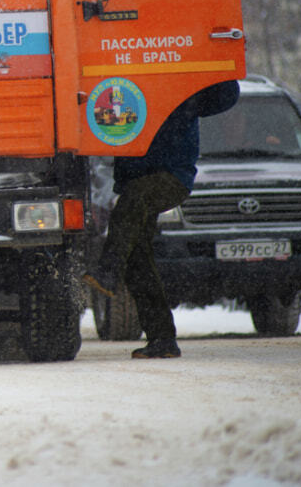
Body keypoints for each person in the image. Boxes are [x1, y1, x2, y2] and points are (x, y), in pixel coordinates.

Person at [83, 80, 240, 359]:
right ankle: (162, 339)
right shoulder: (127, 86)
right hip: (137, 178)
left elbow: (226, 94)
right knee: (138, 260)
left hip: (172, 176)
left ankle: (108, 271)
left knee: (131, 204)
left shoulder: (183, 86)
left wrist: (222, 62)